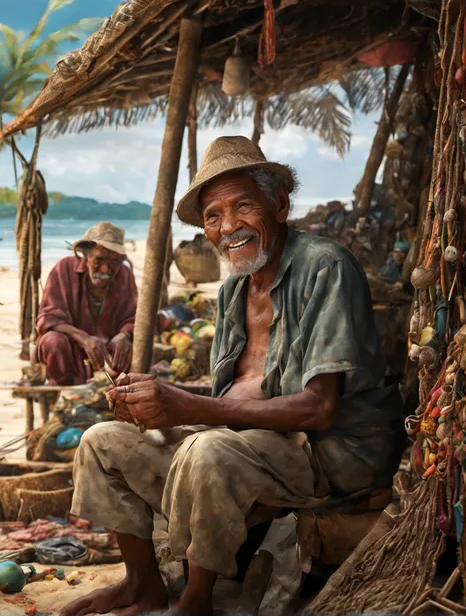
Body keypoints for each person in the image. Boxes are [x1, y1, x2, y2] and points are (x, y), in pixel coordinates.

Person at [62, 137, 405, 616]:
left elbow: (320, 408)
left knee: (209, 449)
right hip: (253, 441)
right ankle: (142, 584)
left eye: (243, 205)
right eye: (212, 216)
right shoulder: (232, 292)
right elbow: (236, 394)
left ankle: (196, 600)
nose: (229, 227)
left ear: (280, 204)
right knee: (102, 440)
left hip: (332, 453)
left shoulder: (325, 265)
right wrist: (152, 401)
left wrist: (189, 406)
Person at [35, 222, 137, 385]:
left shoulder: (124, 275)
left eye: (114, 261)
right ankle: (63, 393)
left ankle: (107, 392)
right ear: (87, 256)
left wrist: (124, 335)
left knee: (129, 347)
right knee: (53, 341)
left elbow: (133, 318)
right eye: (99, 259)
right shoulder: (64, 268)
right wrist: (84, 339)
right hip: (70, 351)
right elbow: (48, 319)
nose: (105, 269)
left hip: (106, 355)